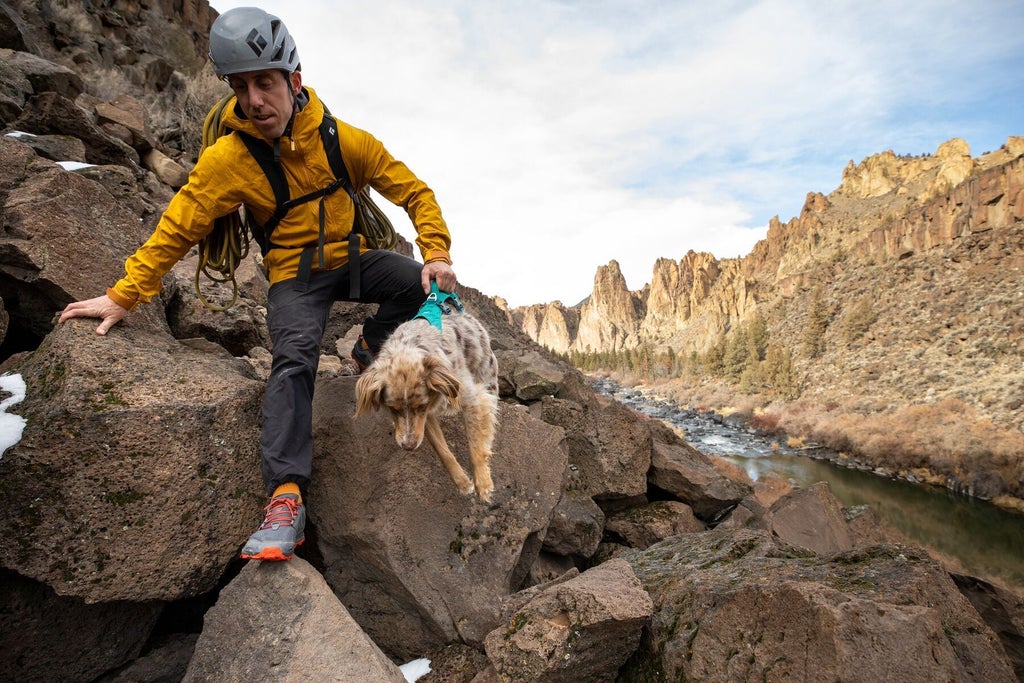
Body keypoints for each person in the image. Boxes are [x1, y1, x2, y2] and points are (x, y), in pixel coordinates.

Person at [58, 7, 456, 562]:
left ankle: (369, 348)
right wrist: (125, 295)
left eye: (264, 83)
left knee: (417, 285)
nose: (254, 101)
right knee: (295, 357)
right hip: (294, 276)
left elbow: (414, 190)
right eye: (240, 87)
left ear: (294, 79)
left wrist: (435, 252)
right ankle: (286, 497)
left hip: (351, 259)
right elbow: (180, 225)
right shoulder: (229, 159)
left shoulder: (345, 141)